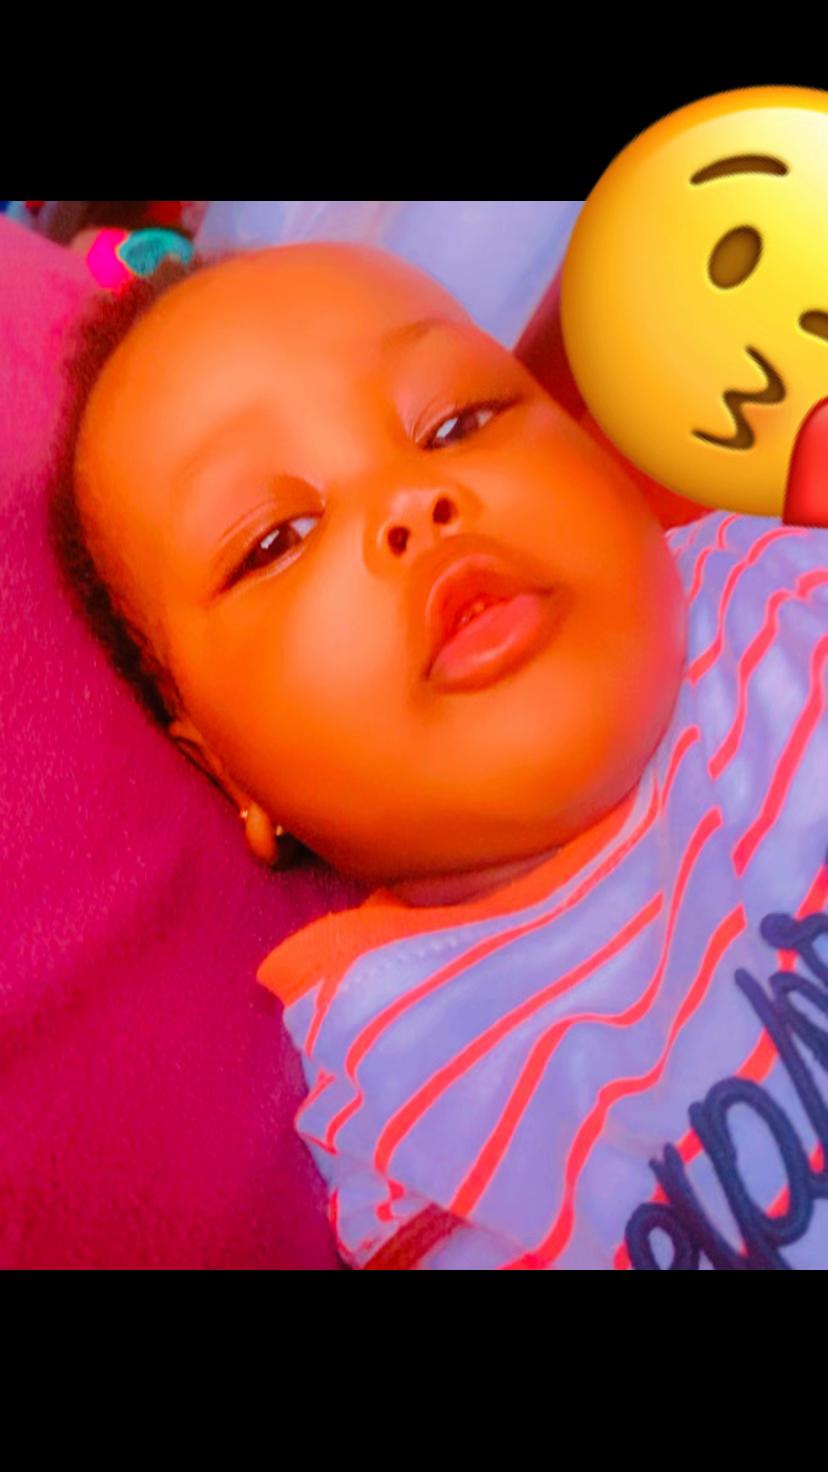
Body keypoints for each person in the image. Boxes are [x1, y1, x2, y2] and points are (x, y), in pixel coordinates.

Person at [49, 244, 828, 1269]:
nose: (411, 502)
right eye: (275, 538)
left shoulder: (786, 592)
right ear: (225, 771)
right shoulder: (409, 1099)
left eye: (458, 420)